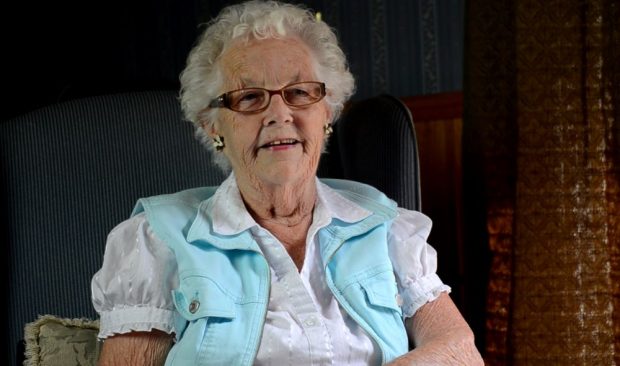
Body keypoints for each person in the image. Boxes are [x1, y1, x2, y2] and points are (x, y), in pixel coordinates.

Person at [91, 1, 484, 365]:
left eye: (299, 93)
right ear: (212, 126)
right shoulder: (156, 240)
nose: (280, 113)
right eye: (249, 98)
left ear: (327, 113)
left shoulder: (385, 228)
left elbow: (459, 351)